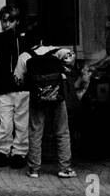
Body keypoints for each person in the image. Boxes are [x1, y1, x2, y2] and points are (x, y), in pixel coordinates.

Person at [15, 44, 84, 179]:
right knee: (62, 131)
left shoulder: (24, 56)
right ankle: (65, 168)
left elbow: (18, 79)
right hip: (57, 96)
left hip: (37, 98)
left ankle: (34, 169)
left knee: (35, 132)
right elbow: (70, 59)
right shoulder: (58, 51)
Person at [0, 5, 38, 168]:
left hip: (22, 87)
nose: (6, 24)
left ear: (17, 21)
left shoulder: (24, 39)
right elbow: (4, 48)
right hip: (5, 87)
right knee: (6, 123)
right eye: (4, 20)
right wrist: (19, 32)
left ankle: (19, 152)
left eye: (10, 20)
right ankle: (3, 151)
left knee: (21, 123)